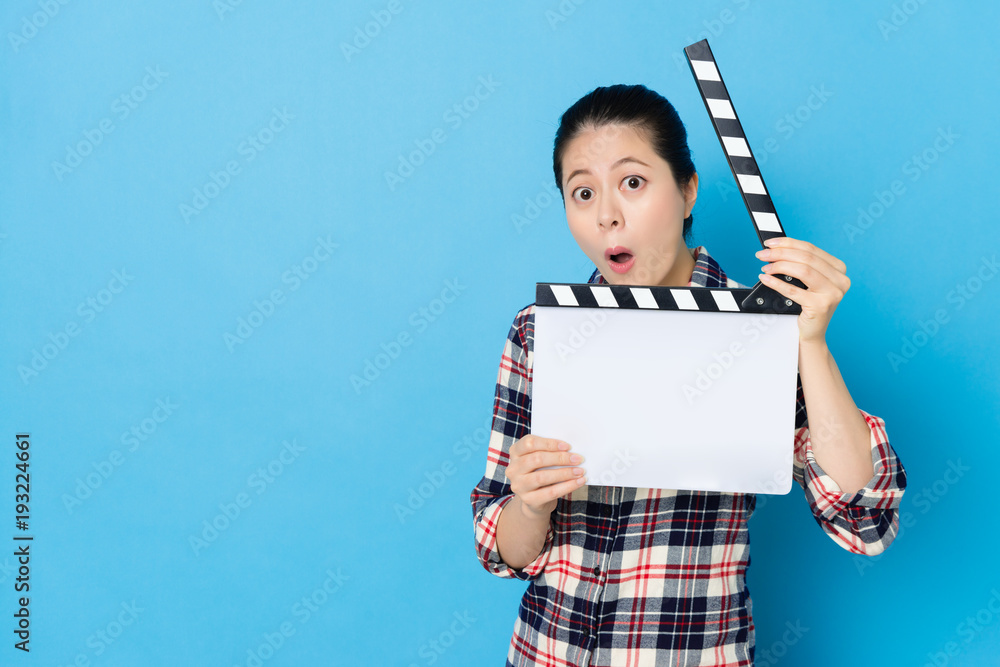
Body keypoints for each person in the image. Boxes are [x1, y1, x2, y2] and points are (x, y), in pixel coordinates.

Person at [469, 83, 907, 666]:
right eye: (582, 192)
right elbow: (503, 551)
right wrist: (529, 505)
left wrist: (810, 342)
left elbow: (863, 517)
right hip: (547, 652)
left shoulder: (761, 328)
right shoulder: (539, 333)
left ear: (687, 189)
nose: (607, 215)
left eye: (632, 183)